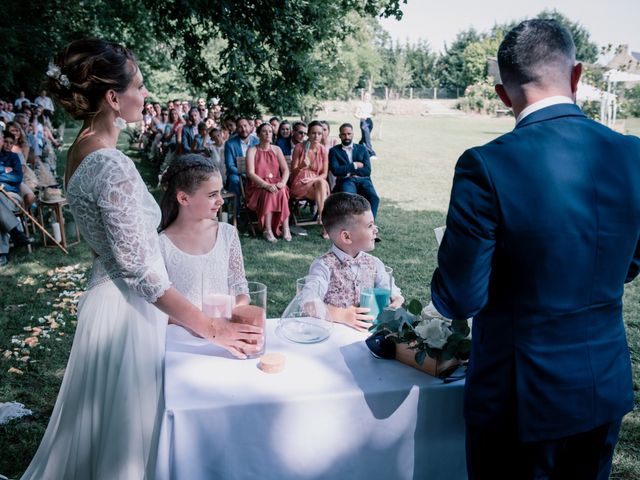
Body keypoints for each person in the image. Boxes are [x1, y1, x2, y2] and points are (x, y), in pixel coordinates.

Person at [20, 38, 262, 480]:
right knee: (127, 442)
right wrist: (212, 328)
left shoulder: (80, 150)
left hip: (109, 297)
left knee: (107, 430)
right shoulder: (111, 165)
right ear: (114, 98)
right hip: (125, 309)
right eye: (140, 85)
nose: (146, 94)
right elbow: (139, 270)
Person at [429, 20, 639, 479]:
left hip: (518, 397)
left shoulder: (486, 164)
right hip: (603, 383)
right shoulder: (633, 154)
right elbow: (629, 262)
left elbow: (460, 297)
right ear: (578, 75)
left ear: (504, 95)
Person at [158, 155, 249, 331]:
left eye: (220, 192)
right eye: (212, 194)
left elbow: (240, 287)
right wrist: (204, 327)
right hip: (180, 336)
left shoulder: (227, 234)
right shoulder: (162, 244)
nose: (221, 200)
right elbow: (160, 305)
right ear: (184, 198)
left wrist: (231, 316)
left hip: (225, 330)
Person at [306, 193, 402, 331]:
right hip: (334, 335)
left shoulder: (374, 263)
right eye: (369, 226)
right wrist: (342, 315)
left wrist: (396, 299)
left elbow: (390, 289)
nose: (376, 230)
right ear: (346, 236)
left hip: (366, 335)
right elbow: (308, 303)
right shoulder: (323, 266)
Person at [245, 123, 291, 242]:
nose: (268, 134)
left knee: (282, 191)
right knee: (270, 192)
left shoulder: (276, 149)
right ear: (259, 134)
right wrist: (266, 185)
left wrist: (283, 183)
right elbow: (250, 173)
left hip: (276, 182)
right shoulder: (252, 150)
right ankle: (268, 230)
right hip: (258, 185)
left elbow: (285, 170)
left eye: (270, 131)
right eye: (264, 131)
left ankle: (286, 229)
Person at [329, 123, 379, 218]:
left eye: (349, 134)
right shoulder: (334, 151)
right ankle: (352, 223)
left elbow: (367, 171)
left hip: (364, 180)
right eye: (343, 134)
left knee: (374, 197)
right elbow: (335, 170)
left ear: (353, 134)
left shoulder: (362, 149)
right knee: (350, 198)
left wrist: (346, 170)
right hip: (346, 181)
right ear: (340, 136)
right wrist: (354, 165)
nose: (346, 136)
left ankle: (370, 222)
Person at [290, 120, 330, 228]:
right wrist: (300, 167)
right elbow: (293, 173)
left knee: (321, 183)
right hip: (300, 183)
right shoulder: (299, 148)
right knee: (321, 187)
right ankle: (325, 222)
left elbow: (324, 174)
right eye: (313, 133)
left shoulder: (323, 150)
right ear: (308, 134)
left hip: (315, 183)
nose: (316, 136)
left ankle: (322, 218)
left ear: (322, 135)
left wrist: (313, 180)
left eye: (319, 133)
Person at [224, 117, 259, 213]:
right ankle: (236, 211)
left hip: (256, 173)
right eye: (240, 127)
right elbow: (230, 166)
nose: (243, 129)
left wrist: (253, 175)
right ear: (236, 128)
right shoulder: (230, 144)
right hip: (238, 174)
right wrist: (245, 174)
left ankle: (257, 209)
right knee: (233, 179)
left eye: (245, 126)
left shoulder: (258, 142)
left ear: (250, 127)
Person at [354, 91, 376, 158]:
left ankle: (358, 149)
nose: (367, 97)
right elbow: (355, 114)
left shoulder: (370, 104)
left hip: (370, 122)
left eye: (368, 96)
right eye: (366, 96)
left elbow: (372, 114)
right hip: (363, 122)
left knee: (364, 138)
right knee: (367, 138)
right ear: (363, 96)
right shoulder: (360, 104)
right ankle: (371, 153)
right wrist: (361, 117)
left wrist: (373, 115)